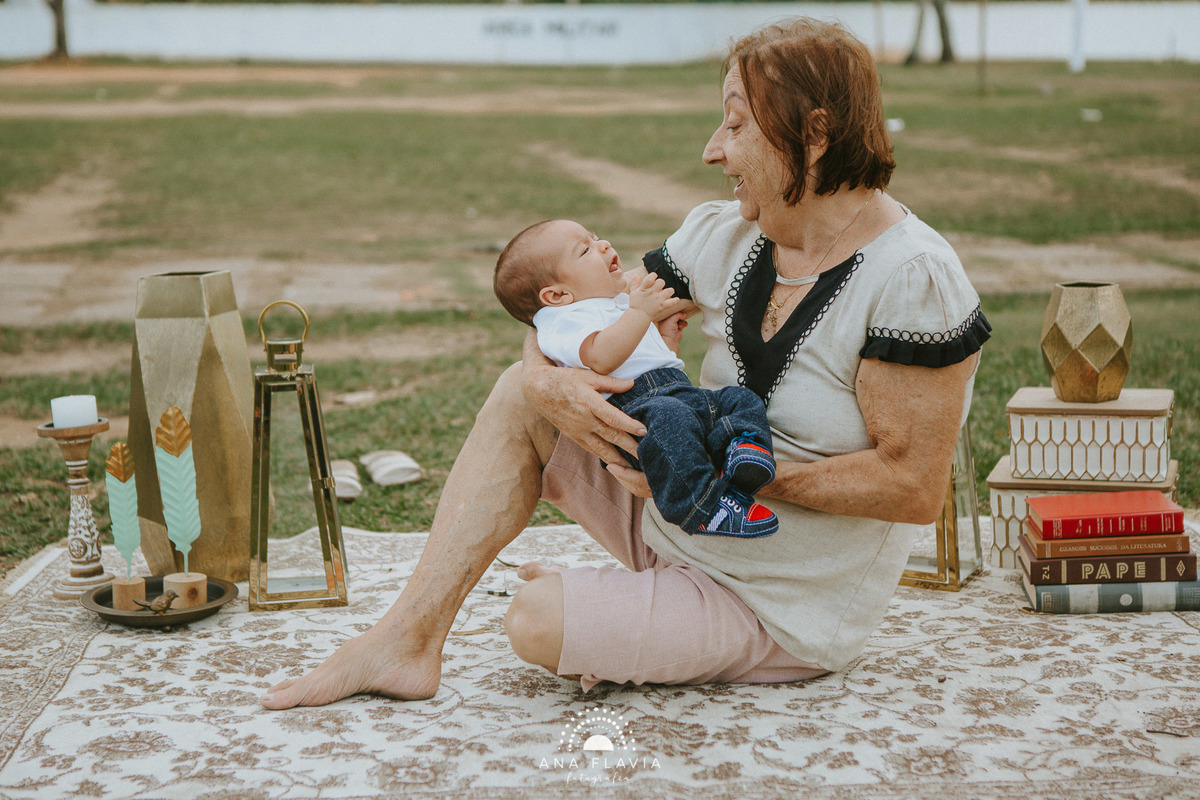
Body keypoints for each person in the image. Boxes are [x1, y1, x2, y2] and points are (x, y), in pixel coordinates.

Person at [261, 16, 990, 707]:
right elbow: (573, 316)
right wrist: (550, 385)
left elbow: (912, 487)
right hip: (671, 517)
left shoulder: (911, 279)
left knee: (536, 620)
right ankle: (405, 641)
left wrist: (723, 474)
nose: (713, 149)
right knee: (522, 390)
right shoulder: (723, 234)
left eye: (736, 124)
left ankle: (622, 606)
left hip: (777, 601)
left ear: (816, 134)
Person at [493, 218, 780, 538]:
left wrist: (664, 341)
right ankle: (700, 508)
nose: (603, 245)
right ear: (557, 295)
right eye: (585, 249)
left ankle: (745, 450)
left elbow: (640, 359)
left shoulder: (610, 304)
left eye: (597, 235)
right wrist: (640, 313)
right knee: (672, 420)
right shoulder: (562, 320)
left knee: (736, 398)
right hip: (638, 411)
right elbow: (600, 357)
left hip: (677, 391)